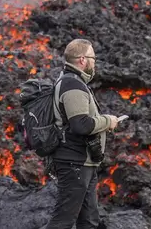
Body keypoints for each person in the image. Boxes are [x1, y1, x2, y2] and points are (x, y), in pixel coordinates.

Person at [46, 38, 126, 229]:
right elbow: (80, 125)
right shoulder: (72, 85)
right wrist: (109, 121)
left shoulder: (73, 81)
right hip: (74, 162)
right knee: (62, 221)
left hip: (84, 162)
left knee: (89, 221)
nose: (94, 62)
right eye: (93, 58)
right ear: (82, 59)